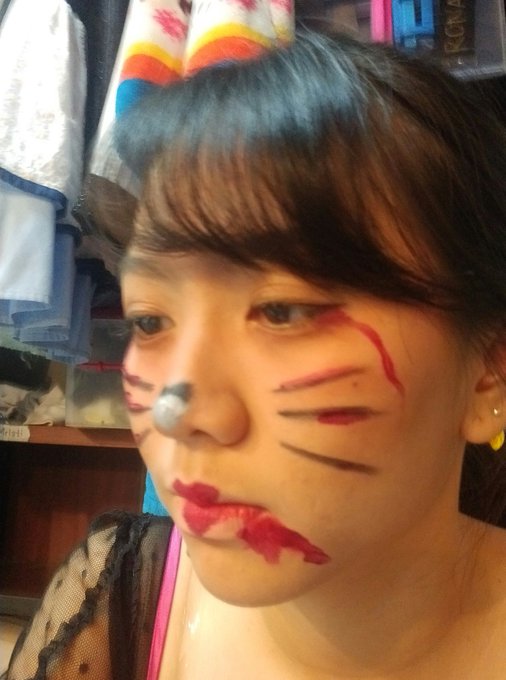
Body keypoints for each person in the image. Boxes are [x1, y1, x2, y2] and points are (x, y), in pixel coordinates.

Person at [5, 30, 506, 680]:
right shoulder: (116, 603)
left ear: (488, 371)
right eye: (150, 320)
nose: (178, 412)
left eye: (282, 311)